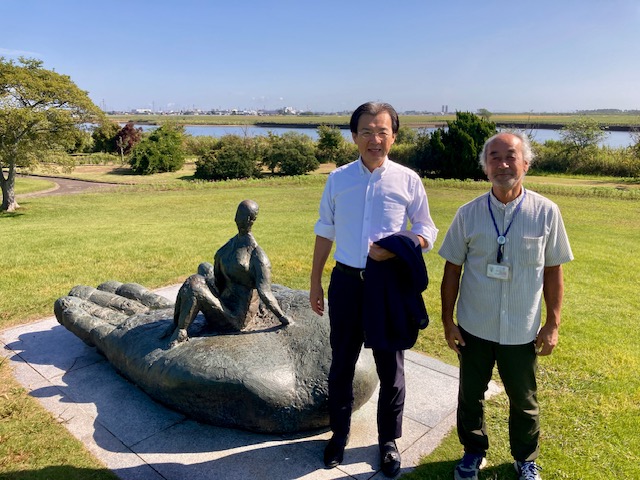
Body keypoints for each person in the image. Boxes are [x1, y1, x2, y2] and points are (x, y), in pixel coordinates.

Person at [310, 102, 438, 477]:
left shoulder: (408, 180)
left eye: (382, 131)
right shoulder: (338, 179)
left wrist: (400, 246)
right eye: (366, 131)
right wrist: (315, 281)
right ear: (354, 137)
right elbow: (325, 230)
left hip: (388, 286)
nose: (374, 139)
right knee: (341, 364)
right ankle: (339, 435)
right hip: (346, 282)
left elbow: (427, 230)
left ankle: (388, 441)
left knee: (391, 367)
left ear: (393, 137)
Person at [439, 132, 573, 480]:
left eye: (510, 156)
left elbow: (554, 270)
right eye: (494, 157)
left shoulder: (546, 212)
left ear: (525, 163)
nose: (502, 164)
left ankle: (525, 458)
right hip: (474, 326)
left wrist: (553, 324)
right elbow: (452, 269)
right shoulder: (468, 214)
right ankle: (473, 452)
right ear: (485, 167)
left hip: (522, 329)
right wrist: (448, 322)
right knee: (470, 395)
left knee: (524, 400)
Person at [168, 199, 292, 346]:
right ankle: (176, 321)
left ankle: (181, 331)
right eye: (237, 215)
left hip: (236, 317)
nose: (237, 219)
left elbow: (265, 292)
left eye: (242, 216)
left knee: (194, 284)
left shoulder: (257, 255)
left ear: (251, 219)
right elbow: (218, 277)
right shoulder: (232, 243)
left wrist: (283, 318)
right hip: (225, 298)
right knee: (204, 267)